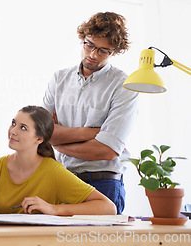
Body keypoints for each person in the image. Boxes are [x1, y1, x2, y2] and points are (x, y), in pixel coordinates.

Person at [42, 12, 138, 214]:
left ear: (115, 52)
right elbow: (41, 133)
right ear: (82, 39)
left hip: (104, 185)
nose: (93, 54)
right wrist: (90, 133)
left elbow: (107, 150)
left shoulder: (124, 86)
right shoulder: (59, 79)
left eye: (104, 51)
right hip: (63, 179)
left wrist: (58, 142)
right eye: (89, 45)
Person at [0, 106, 116, 215]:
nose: (13, 131)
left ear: (39, 139)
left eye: (23, 128)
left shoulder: (53, 171)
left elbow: (108, 208)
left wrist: (53, 209)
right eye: (13, 123)